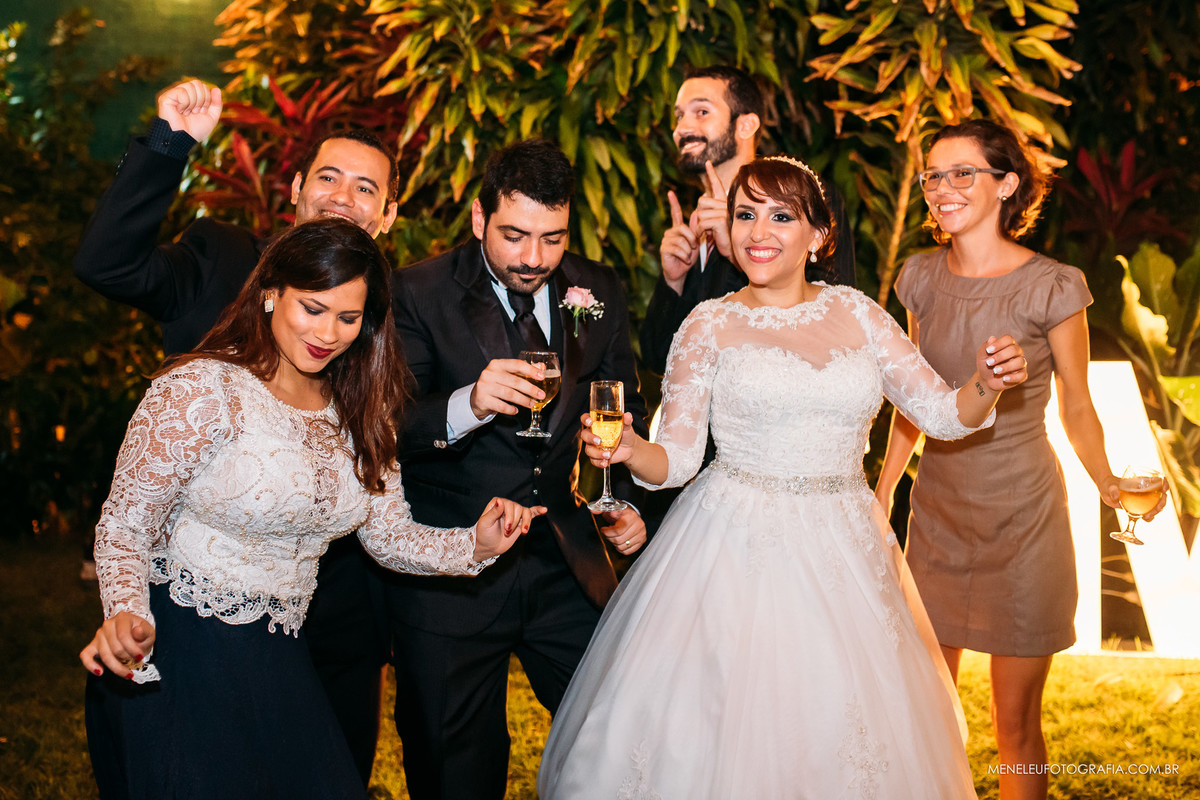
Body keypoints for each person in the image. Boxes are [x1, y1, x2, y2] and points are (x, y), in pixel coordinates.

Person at [539, 156, 1030, 798]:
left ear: (818, 236)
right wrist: (632, 448)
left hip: (845, 545)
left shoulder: (859, 313)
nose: (757, 231)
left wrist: (987, 386)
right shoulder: (707, 325)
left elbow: (942, 414)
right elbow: (678, 460)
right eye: (745, 214)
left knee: (845, 724)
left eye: (780, 215)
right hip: (732, 546)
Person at [78, 219, 543, 800]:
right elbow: (124, 524)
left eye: (349, 318)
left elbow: (389, 537)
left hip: (280, 655)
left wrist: (475, 543)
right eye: (313, 309)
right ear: (271, 290)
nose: (329, 333)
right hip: (181, 648)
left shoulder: (360, 413)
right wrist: (125, 612)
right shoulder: (202, 390)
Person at [73, 79, 398, 783]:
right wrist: (172, 143)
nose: (344, 196)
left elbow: (397, 433)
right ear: (295, 188)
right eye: (330, 177)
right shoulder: (221, 257)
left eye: (366, 187)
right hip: (202, 611)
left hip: (336, 606)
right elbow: (107, 263)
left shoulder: (378, 315)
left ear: (388, 215)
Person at [872, 119, 1158, 800]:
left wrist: (1109, 482)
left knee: (1016, 727)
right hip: (939, 523)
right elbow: (913, 401)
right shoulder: (918, 279)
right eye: (933, 175)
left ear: (1006, 185)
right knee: (926, 716)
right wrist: (881, 492)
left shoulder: (1054, 285)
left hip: (1026, 524)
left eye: (962, 173)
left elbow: (1078, 407)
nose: (943, 188)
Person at [386, 139, 649, 800]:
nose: (533, 258)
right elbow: (384, 425)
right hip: (454, 569)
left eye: (552, 239)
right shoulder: (416, 292)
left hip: (567, 568)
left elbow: (625, 411)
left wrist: (619, 496)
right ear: (479, 220)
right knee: (453, 768)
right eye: (514, 235)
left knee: (620, 742)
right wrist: (466, 404)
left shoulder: (598, 290)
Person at [639, 65, 857, 375]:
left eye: (701, 112)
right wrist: (673, 282)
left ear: (746, 125)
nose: (682, 128)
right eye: (679, 116)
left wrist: (737, 253)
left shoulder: (807, 200)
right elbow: (659, 359)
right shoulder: (693, 223)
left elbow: (835, 322)